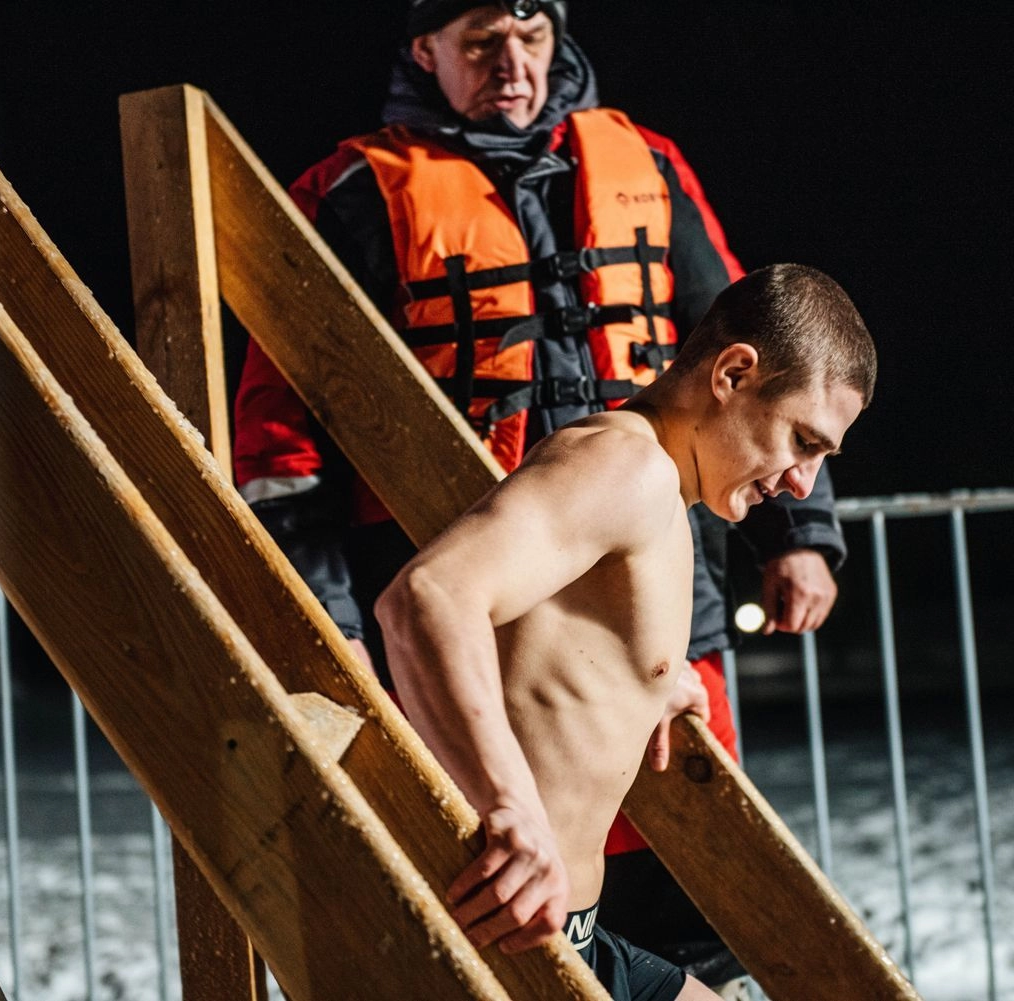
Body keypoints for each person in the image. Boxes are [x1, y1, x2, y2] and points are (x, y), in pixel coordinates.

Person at [230, 0, 850, 987]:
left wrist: (797, 526)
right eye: (482, 42)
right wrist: (324, 620)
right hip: (459, 591)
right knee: (491, 864)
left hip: (659, 583)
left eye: (533, 37)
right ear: (425, 49)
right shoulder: (359, 189)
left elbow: (760, 347)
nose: (513, 65)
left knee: (684, 868)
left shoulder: (642, 161)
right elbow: (282, 424)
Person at [376, 264, 877, 1001]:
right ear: (733, 373)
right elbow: (428, 598)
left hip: (568, 933)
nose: (802, 483)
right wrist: (509, 806)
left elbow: (548, 640)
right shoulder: (625, 465)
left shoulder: (662, 488)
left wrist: (648, 683)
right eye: (802, 440)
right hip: (500, 937)